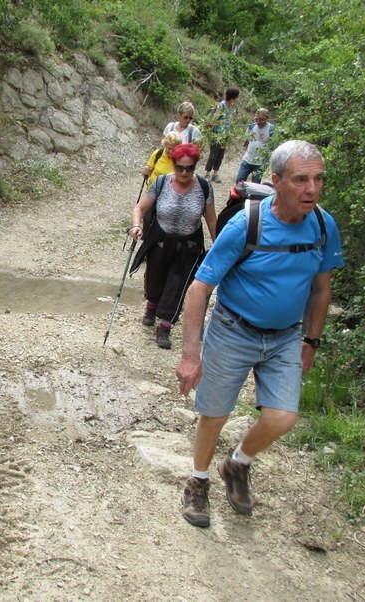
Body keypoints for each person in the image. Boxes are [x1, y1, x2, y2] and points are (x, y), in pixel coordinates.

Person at [175, 140, 344, 528]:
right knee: (214, 413)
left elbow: (321, 289)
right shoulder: (246, 224)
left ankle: (236, 464)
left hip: (286, 336)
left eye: (318, 179)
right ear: (277, 180)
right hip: (234, 330)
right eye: (301, 180)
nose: (312, 189)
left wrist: (311, 341)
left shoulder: (323, 224)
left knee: (283, 417)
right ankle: (198, 481)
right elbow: (200, 288)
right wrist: (190, 354)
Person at [128, 143, 217, 349]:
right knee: (153, 282)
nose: (184, 172)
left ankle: (165, 325)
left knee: (177, 286)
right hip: (159, 242)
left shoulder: (204, 187)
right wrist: (135, 225)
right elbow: (139, 208)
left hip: (188, 246)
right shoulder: (161, 183)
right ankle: (151, 305)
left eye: (189, 168)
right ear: (173, 165)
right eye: (180, 167)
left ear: (195, 167)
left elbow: (211, 220)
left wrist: (218, 244)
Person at [203, 87, 240, 183]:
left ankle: (215, 174)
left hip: (225, 134)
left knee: (221, 154)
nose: (237, 99)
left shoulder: (232, 107)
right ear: (233, 97)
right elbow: (210, 121)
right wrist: (223, 121)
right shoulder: (220, 106)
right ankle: (207, 173)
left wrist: (234, 117)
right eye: (236, 97)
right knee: (214, 154)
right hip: (217, 133)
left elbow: (231, 121)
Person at [235, 108, 275, 184]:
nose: (259, 122)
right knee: (239, 180)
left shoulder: (271, 129)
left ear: (266, 119)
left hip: (260, 163)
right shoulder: (251, 127)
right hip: (247, 160)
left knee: (255, 184)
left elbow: (273, 146)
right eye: (257, 119)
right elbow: (246, 142)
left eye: (262, 119)